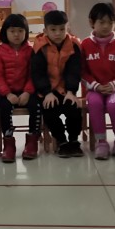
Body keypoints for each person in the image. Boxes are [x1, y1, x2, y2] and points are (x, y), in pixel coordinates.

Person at [80, 2, 115, 159]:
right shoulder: (85, 45)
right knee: (94, 103)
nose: (106, 26)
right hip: (94, 89)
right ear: (92, 22)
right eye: (101, 22)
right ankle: (101, 142)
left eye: (111, 22)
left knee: (114, 105)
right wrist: (95, 85)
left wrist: (114, 85)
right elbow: (82, 71)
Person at [31, 9, 83, 158]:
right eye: (53, 30)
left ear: (67, 28)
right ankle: (62, 141)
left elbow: (74, 70)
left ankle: (73, 140)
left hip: (66, 89)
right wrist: (46, 92)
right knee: (49, 111)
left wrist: (71, 91)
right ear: (45, 30)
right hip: (47, 91)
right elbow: (37, 73)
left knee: (74, 109)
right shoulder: (39, 47)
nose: (58, 33)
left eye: (62, 29)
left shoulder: (74, 45)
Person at [0, 13, 40, 162]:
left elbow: (33, 74)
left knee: (36, 106)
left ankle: (32, 142)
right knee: (5, 108)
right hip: (7, 93)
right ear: (5, 32)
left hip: (27, 91)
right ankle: (9, 144)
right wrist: (7, 94)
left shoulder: (31, 51)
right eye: (12, 31)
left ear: (26, 32)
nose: (16, 34)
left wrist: (27, 92)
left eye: (20, 31)